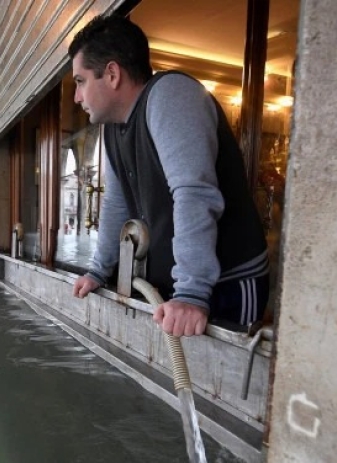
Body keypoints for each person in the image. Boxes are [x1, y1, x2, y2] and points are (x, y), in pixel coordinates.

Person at [69, 15, 269, 337]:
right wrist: (98, 270)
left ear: (112, 73)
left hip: (228, 283)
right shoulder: (113, 130)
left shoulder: (171, 95)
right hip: (181, 292)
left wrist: (191, 292)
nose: (77, 97)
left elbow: (193, 193)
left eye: (80, 81)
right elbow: (117, 204)